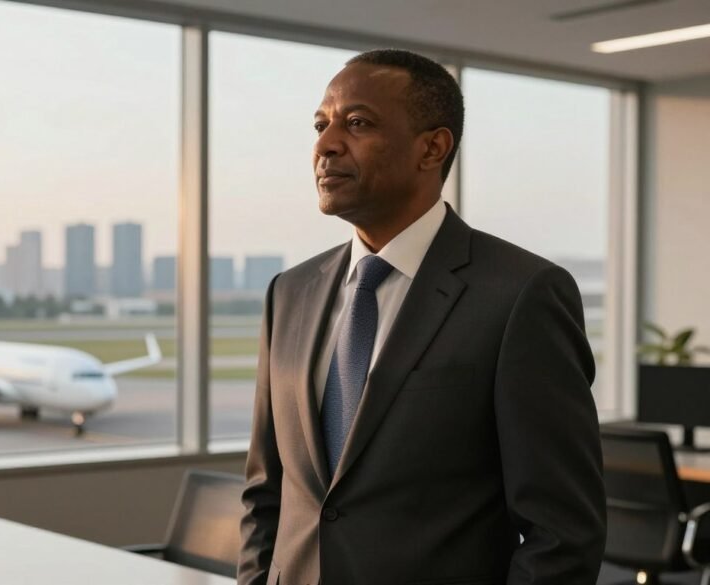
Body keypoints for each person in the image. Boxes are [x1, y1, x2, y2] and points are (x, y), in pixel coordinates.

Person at [237, 49, 605, 585]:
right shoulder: (289, 293)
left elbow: (562, 532)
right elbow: (265, 492)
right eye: (321, 124)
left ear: (432, 147)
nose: (325, 144)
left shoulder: (520, 295)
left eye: (357, 123)